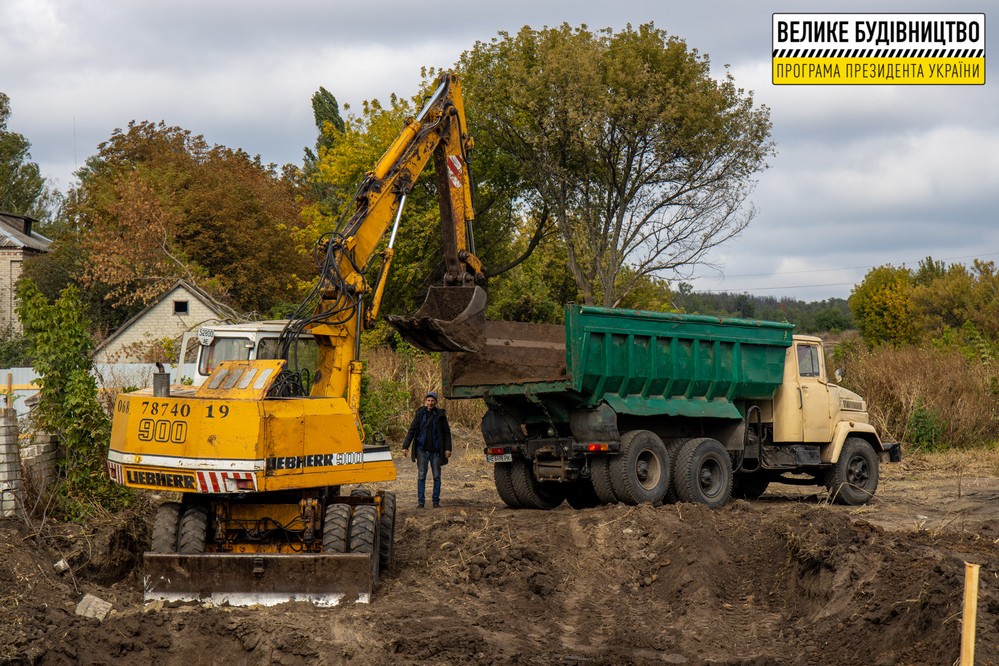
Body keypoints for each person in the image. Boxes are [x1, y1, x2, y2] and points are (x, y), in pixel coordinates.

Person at [401, 391, 452, 508]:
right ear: (425, 401)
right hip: (421, 450)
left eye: (433, 401)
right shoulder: (419, 414)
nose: (430, 403)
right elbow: (412, 430)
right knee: (421, 476)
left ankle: (435, 501)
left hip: (436, 451)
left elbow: (446, 432)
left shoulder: (440, 415)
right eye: (428, 400)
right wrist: (405, 446)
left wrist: (448, 448)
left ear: (436, 402)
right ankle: (421, 502)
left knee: (437, 476)